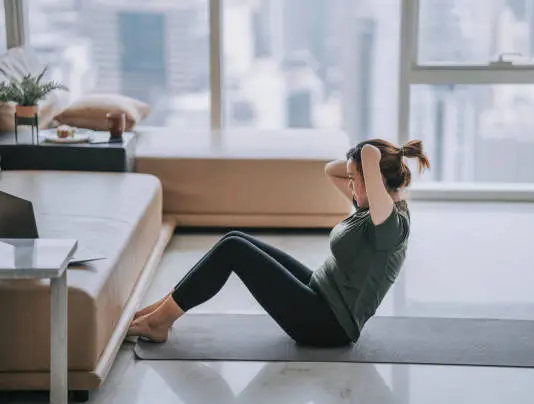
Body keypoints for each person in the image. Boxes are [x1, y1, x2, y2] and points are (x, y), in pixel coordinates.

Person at [128, 139, 430, 346]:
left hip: (329, 325)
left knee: (234, 251)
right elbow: (331, 170)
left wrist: (368, 156)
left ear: (375, 181)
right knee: (235, 238)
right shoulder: (370, 209)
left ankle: (160, 323)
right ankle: (160, 310)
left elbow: (364, 162)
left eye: (356, 179)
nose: (349, 184)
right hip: (319, 291)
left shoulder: (391, 226)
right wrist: (360, 166)